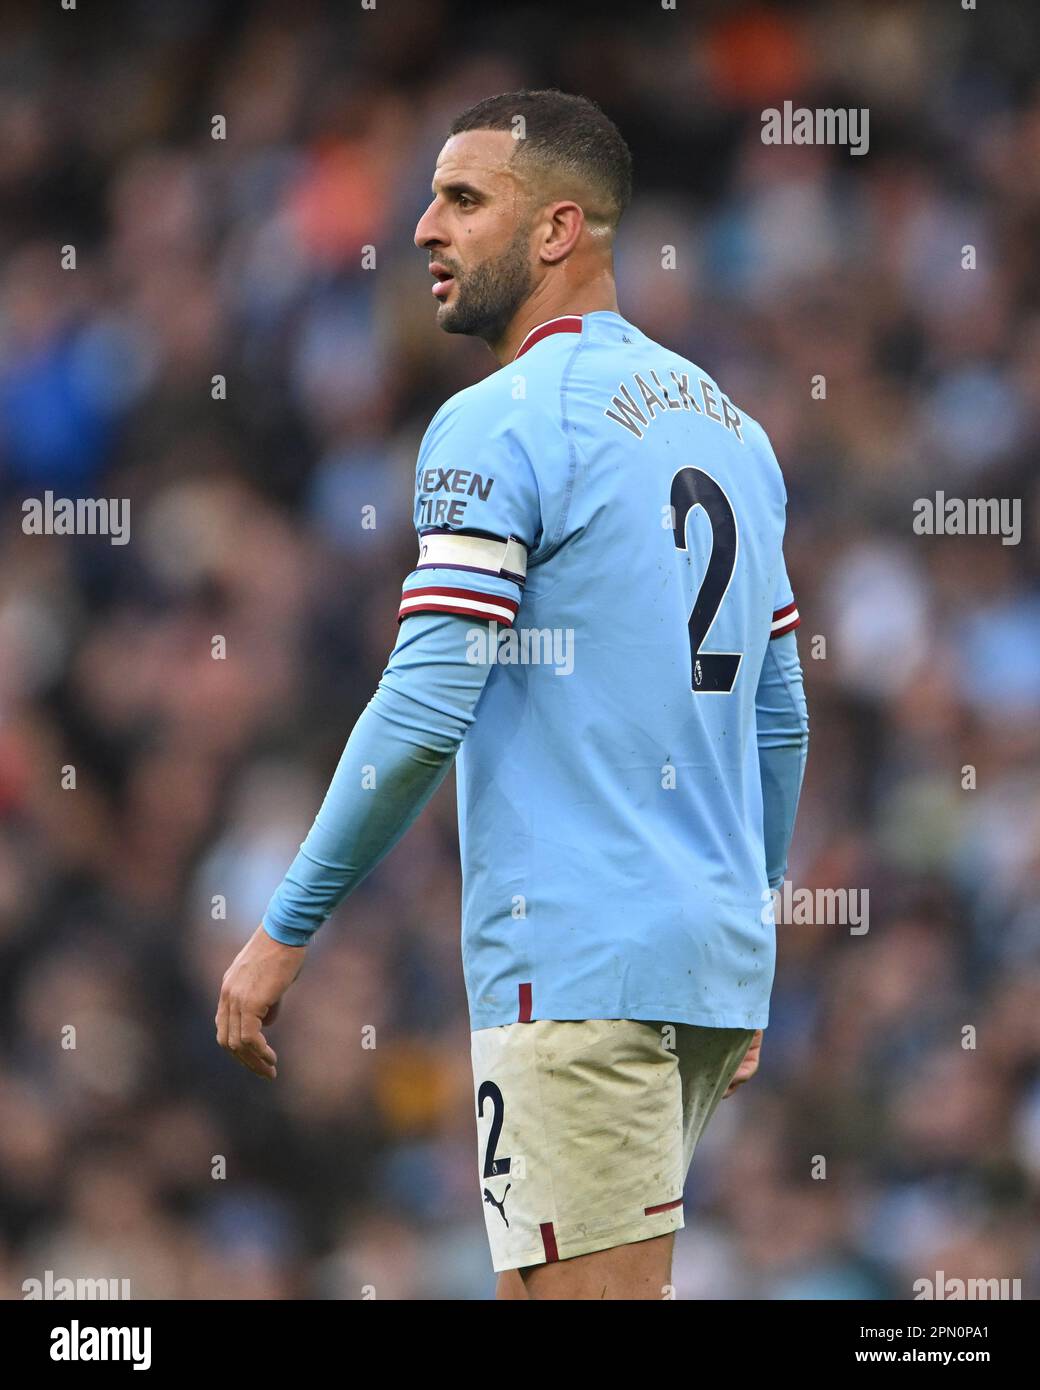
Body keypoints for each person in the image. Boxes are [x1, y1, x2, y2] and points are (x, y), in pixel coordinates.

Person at [216, 89, 809, 1301]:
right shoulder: (734, 432)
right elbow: (778, 718)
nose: (423, 226)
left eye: (463, 199)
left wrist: (285, 926)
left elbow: (426, 704)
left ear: (556, 230)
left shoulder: (495, 423)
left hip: (574, 965)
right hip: (695, 962)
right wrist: (742, 934)